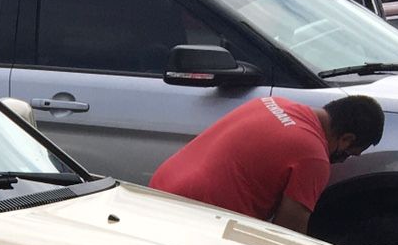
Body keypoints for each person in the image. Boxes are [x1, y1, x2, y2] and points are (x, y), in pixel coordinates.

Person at [150, 94, 384, 234]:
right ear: (346, 139)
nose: (341, 160)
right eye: (349, 154)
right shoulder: (313, 156)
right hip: (194, 218)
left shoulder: (272, 103)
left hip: (160, 190)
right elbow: (287, 234)